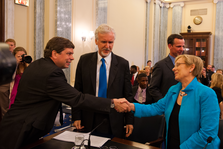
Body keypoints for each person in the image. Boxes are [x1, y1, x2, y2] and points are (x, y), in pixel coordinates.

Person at [0, 37, 130, 149]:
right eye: (68, 54)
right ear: (55, 53)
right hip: (20, 130)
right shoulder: (51, 73)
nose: (72, 58)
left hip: (17, 125)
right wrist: (112, 103)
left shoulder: (37, 65)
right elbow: (78, 98)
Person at [128, 54, 220, 149]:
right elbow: (156, 107)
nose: (173, 69)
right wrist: (130, 106)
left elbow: (208, 132)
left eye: (178, 65)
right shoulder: (174, 90)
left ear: (191, 67)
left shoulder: (207, 94)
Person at [72, 24, 133, 138]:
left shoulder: (122, 64)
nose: (107, 46)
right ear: (96, 41)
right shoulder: (84, 60)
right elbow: (77, 91)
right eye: (103, 42)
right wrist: (76, 116)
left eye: (111, 42)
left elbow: (128, 94)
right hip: (89, 116)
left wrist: (129, 120)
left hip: (114, 117)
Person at [149, 34, 185, 102]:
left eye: (183, 46)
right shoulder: (160, 65)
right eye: (178, 46)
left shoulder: (186, 64)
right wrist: (164, 103)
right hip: (167, 106)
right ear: (170, 46)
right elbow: (153, 88)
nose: (182, 49)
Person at [0, 39, 16, 120]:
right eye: (8, 45)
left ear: (14, 46)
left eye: (11, 45)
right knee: (4, 108)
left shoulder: (17, 56)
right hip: (4, 85)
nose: (9, 47)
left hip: (15, 84)